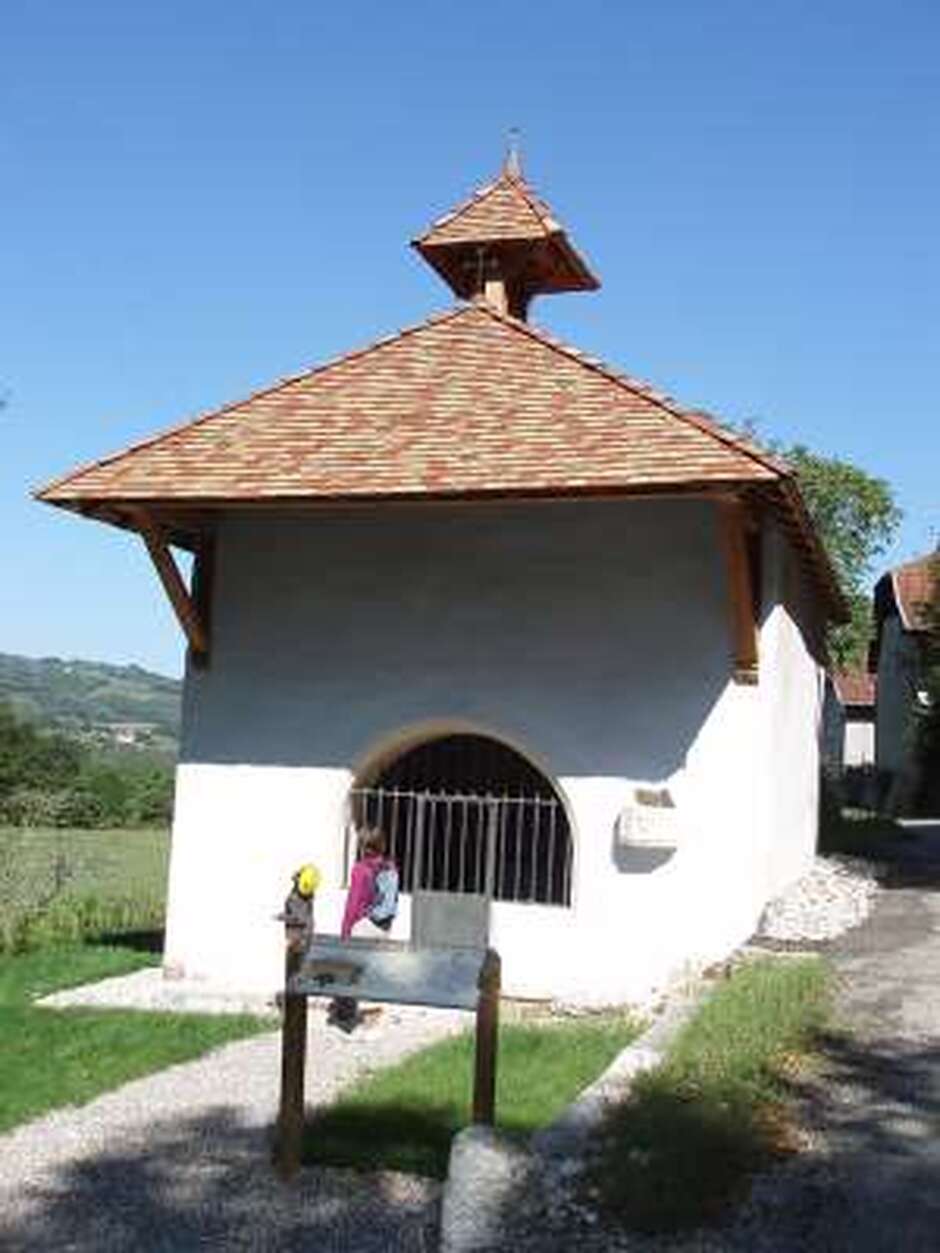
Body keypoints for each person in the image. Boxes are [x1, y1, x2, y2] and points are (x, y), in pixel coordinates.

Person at [329, 827, 397, 1032]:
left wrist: (345, 932)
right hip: (382, 929)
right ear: (382, 846)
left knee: (347, 969)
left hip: (363, 927)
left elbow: (353, 905)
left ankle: (345, 1019)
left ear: (362, 846)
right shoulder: (390, 868)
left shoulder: (361, 870)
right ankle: (359, 1016)